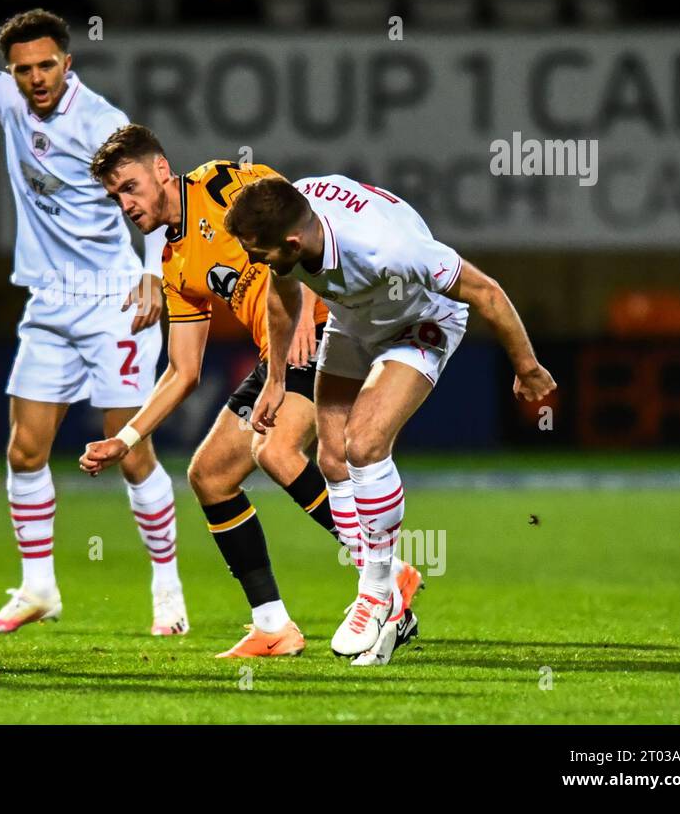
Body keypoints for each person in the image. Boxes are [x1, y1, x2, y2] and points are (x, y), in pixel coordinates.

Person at [0, 0, 186, 635]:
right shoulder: (9, 104)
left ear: (67, 64)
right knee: (24, 449)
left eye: (47, 66)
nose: (36, 79)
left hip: (113, 302)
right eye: (23, 69)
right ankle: (39, 588)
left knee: (129, 450)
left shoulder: (103, 124)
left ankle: (168, 588)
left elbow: (157, 203)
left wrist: (158, 278)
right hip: (48, 304)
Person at [80, 125, 422, 659]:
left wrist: (307, 304)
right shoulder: (174, 264)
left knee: (277, 449)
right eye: (114, 196)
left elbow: (298, 218)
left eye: (129, 187)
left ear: (161, 170)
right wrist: (125, 439)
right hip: (277, 356)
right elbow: (183, 371)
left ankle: (382, 573)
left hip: (329, 328)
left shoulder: (218, 185)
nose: (124, 203)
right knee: (210, 476)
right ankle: (273, 626)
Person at [225, 173, 556, 665]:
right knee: (333, 459)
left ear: (292, 241)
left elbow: (487, 292)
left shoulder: (390, 250)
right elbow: (282, 293)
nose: (254, 260)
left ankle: (378, 595)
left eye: (259, 251)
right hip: (354, 320)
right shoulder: (292, 213)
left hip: (421, 324)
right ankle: (389, 607)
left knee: (364, 443)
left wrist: (526, 367)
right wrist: (276, 379)